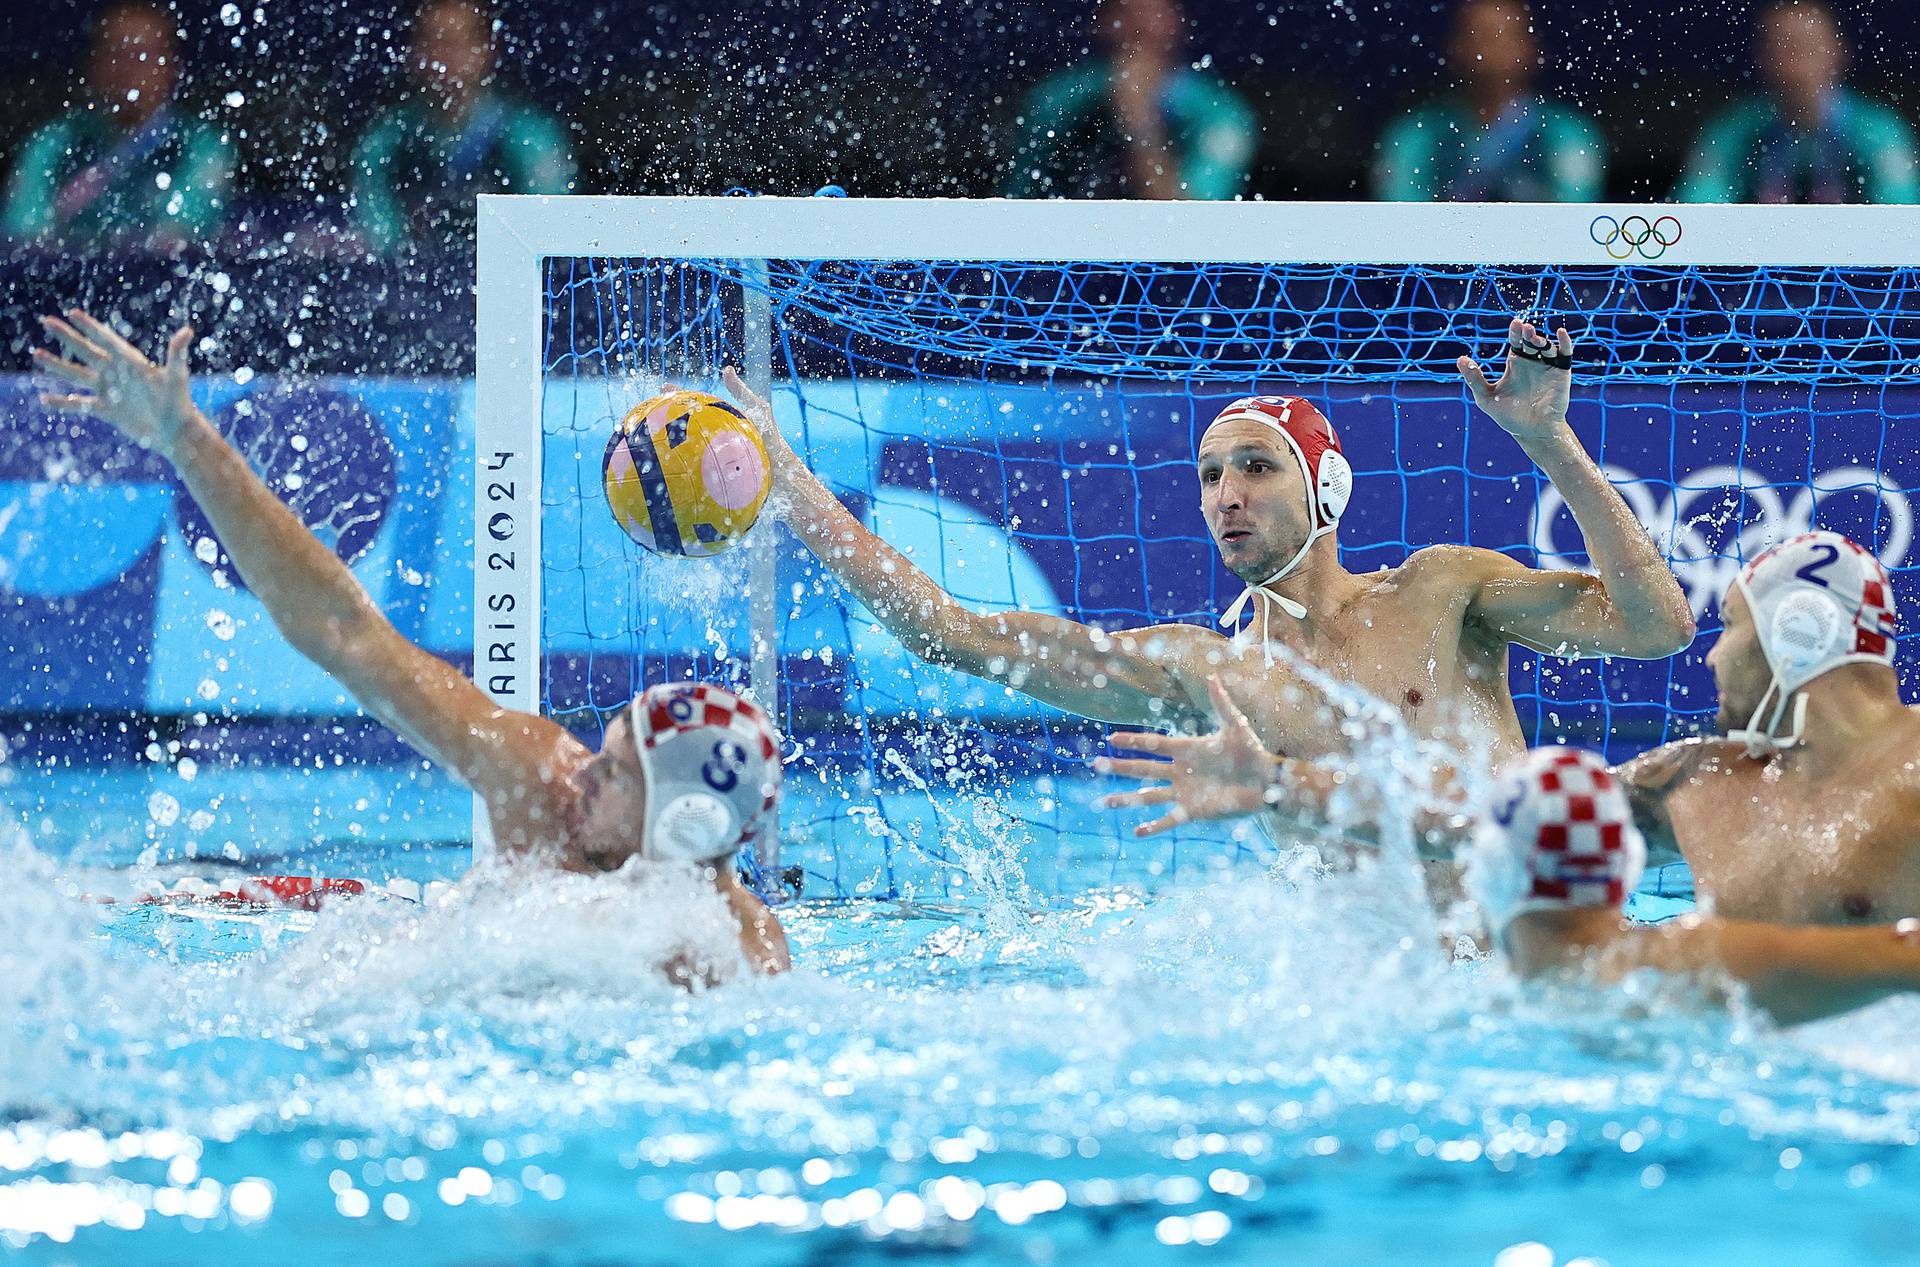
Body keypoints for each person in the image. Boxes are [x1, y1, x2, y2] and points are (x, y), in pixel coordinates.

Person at [31, 310, 787, 980]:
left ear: (684, 825)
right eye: (604, 749)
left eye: (618, 773)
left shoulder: (738, 958)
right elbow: (344, 633)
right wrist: (184, 437)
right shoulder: (539, 779)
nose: (584, 770)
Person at [724, 317, 1693, 769]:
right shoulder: (1209, 673)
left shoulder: (1445, 594)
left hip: (1514, 962)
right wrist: (790, 486)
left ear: (1326, 489)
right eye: (1209, 474)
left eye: (1256, 468)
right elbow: (950, 635)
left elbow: (1659, 627)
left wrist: (1544, 437)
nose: (1225, 494)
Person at [1098, 529, 1918, 926]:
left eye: (1733, 629)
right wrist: (1276, 782)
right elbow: (1483, 828)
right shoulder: (1699, 780)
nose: (1710, 659)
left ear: (1800, 636)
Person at [1486, 747, 1920, 1027]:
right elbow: (1903, 954)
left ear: (1490, 866)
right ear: (1627, 864)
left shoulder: (1485, 1011)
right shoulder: (1685, 965)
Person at [2, 2, 235, 250]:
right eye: (116, 54)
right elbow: (21, 237)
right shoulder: (54, 143)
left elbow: (177, 236)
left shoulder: (200, 146)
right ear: (94, 65)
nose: (128, 70)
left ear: (171, 67)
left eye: (143, 56)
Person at [350, 0, 574, 257]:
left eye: (455, 44)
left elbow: (551, 235)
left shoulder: (527, 140)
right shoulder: (387, 140)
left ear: (487, 51)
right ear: (412, 53)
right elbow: (378, 241)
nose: (441, 59)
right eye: (430, 43)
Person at [1001, 0, 1256, 201]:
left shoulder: (1220, 115)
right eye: (1128, 13)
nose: (1142, 26)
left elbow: (1187, 222)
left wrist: (1139, 122)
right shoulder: (1056, 100)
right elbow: (1015, 206)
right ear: (1102, 24)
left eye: (1153, 13)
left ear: (1178, 23)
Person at [1674, 0, 1919, 205]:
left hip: (1853, 258)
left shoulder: (1878, 129)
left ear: (1839, 52)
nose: (1795, 59)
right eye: (1783, 46)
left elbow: (1901, 216)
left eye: (1807, 45)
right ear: (1762, 57)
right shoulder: (1734, 128)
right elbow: (1699, 210)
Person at [1372, 0, 1604, 203]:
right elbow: (1401, 218)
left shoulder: (1566, 133)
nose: (1490, 49)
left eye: (1503, 36)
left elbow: (1574, 217)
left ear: (1530, 49)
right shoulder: (1417, 134)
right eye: (1480, 35)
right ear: (1455, 48)